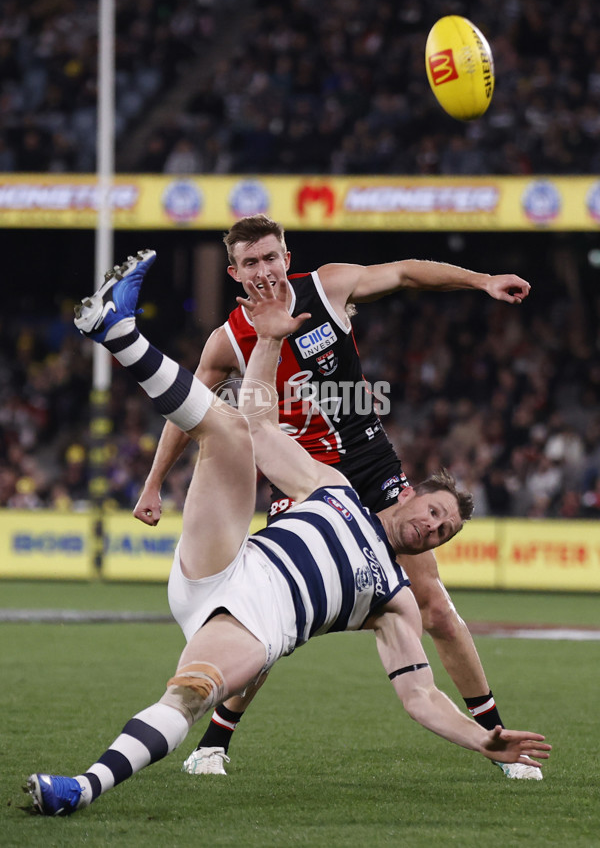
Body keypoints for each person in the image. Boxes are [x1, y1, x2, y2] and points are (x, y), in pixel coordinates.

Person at [27, 251, 550, 816]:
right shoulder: (330, 486)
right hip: (221, 566)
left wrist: (483, 739)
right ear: (410, 494)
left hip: (249, 624)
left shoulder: (394, 601)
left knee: (189, 694)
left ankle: (81, 788)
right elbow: (255, 423)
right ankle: (118, 331)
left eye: (444, 532)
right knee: (229, 432)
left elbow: (420, 697)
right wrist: (271, 340)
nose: (433, 528)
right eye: (435, 512)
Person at [133, 215, 538, 781]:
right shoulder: (227, 339)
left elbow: (404, 274)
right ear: (234, 273)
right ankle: (216, 741)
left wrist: (481, 280)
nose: (264, 270)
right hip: (301, 475)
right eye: (250, 263)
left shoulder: (327, 286)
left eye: (271, 257)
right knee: (267, 616)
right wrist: (153, 483)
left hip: (370, 465)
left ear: (285, 255)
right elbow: (189, 409)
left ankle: (496, 736)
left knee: (435, 607)